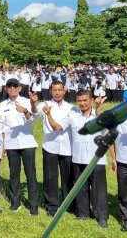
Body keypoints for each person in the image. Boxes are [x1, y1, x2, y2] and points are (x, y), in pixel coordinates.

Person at [45, 90, 114, 228]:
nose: (82, 103)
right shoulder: (73, 115)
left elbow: (109, 136)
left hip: (96, 160)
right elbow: (57, 127)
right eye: (79, 101)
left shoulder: (100, 115)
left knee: (99, 190)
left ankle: (101, 217)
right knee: (81, 188)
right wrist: (48, 115)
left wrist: (113, 159)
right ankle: (83, 214)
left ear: (91, 100)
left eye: (85, 100)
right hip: (78, 158)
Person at [32, 80, 73, 217]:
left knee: (68, 177)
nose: (57, 92)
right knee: (50, 177)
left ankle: (69, 204)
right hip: (50, 145)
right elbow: (34, 114)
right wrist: (32, 103)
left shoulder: (71, 107)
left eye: (59, 90)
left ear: (64, 90)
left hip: (68, 146)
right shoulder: (45, 105)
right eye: (54, 90)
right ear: (50, 91)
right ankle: (52, 206)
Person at [0, 78, 39, 215]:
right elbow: (2, 127)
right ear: (6, 89)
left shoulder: (27, 101)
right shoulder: (2, 105)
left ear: (20, 88)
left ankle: (34, 205)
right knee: (14, 174)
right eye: (9, 87)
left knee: (30, 174)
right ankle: (15, 203)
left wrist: (26, 111)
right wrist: (3, 146)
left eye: (15, 86)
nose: (12, 89)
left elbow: (33, 119)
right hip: (11, 144)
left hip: (27, 142)